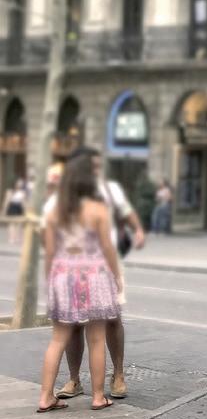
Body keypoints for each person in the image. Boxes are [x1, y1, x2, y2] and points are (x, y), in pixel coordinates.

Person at [46, 146, 145, 402]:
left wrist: (137, 230)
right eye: (92, 165)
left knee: (111, 321)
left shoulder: (110, 190)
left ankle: (118, 374)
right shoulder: (63, 197)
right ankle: (78, 382)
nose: (96, 169)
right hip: (84, 269)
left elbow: (126, 213)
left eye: (98, 164)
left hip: (100, 266)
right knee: (77, 327)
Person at [37, 153, 122, 412]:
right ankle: (98, 397)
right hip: (94, 274)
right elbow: (107, 247)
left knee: (57, 339)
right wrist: (116, 276)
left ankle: (46, 397)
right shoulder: (98, 210)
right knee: (96, 338)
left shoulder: (55, 211)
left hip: (62, 275)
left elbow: (49, 251)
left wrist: (50, 279)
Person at [4, 176, 28, 245]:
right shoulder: (10, 191)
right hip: (12, 207)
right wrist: (5, 209)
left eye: (21, 183)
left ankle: (17, 237)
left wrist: (25, 210)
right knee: (12, 223)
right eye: (19, 183)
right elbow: (7, 201)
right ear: (15, 183)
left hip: (19, 207)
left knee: (19, 223)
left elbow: (23, 202)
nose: (20, 184)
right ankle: (11, 238)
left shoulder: (23, 192)